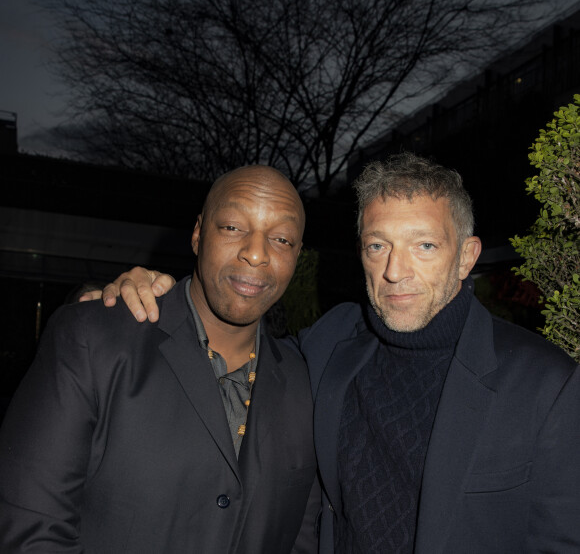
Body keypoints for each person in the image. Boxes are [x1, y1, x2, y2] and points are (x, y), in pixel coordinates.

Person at [82, 153, 580, 553]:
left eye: (424, 246)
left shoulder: (546, 384)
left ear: (466, 256)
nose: (394, 271)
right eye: (377, 245)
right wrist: (119, 300)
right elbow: (232, 345)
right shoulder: (331, 343)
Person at [0, 166, 320, 554]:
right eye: (233, 227)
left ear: (297, 255)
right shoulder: (92, 340)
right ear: (198, 233)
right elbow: (33, 533)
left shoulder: (306, 381)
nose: (256, 253)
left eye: (282, 238)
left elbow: (300, 539)